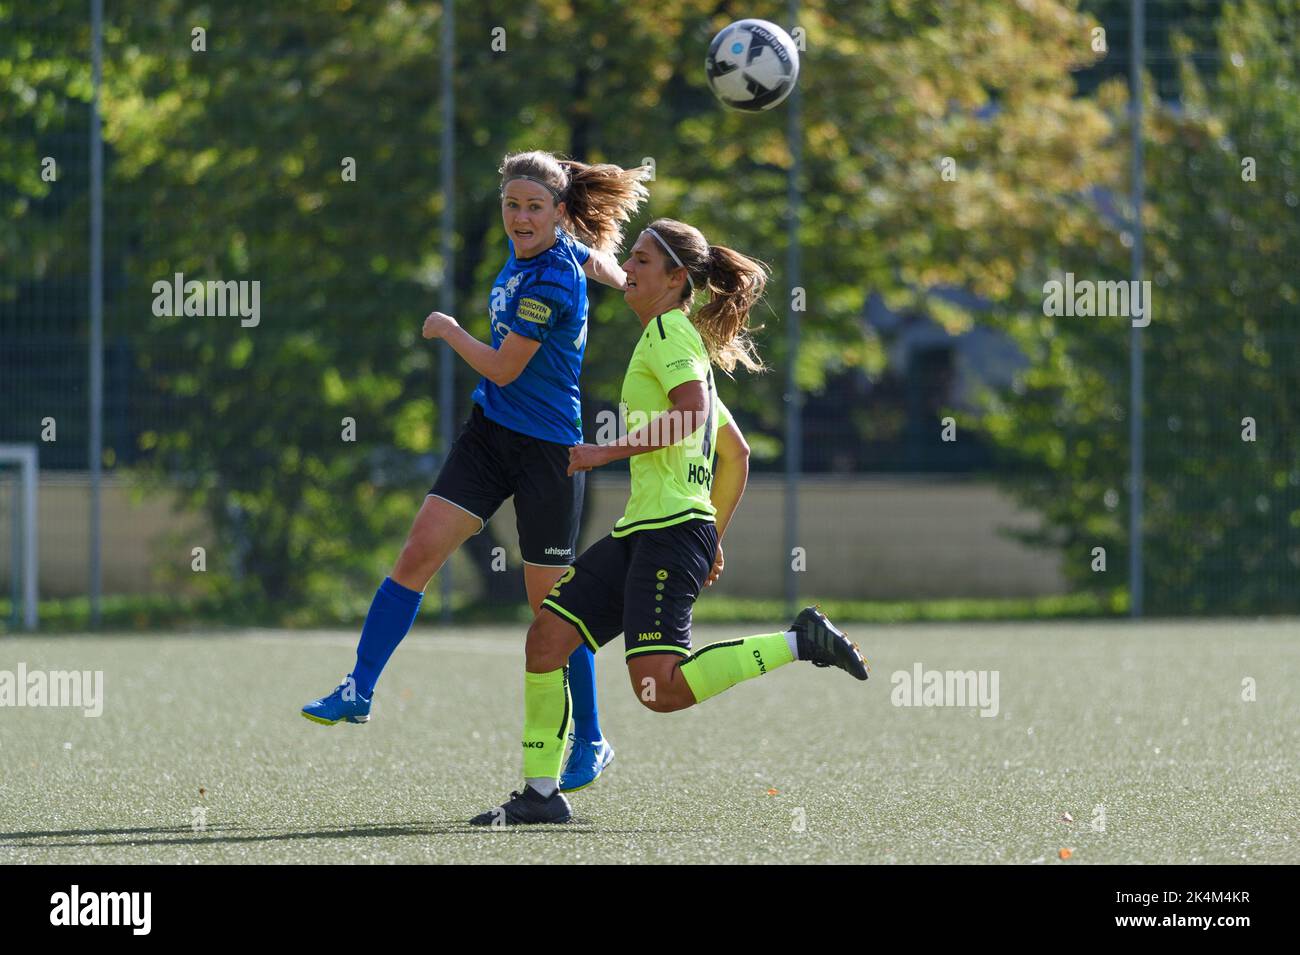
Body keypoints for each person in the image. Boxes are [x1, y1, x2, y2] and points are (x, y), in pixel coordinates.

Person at [469, 218, 869, 826]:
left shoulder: (668, 334)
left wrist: (607, 452)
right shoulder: (672, 337)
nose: (628, 267)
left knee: (660, 690)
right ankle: (541, 796)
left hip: (669, 532)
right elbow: (735, 449)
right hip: (648, 531)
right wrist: (715, 537)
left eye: (642, 261)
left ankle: (800, 641)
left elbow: (690, 417)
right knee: (547, 639)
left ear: (677, 278)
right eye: (629, 257)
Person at [302, 150, 649, 794]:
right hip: (489, 438)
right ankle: (358, 686)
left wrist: (450, 329)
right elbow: (602, 264)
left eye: (533, 207)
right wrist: (626, 281)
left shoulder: (550, 281)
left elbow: (504, 367)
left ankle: (592, 739)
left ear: (558, 213)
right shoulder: (564, 251)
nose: (519, 217)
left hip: (547, 452)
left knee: (554, 613)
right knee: (417, 554)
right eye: (512, 205)